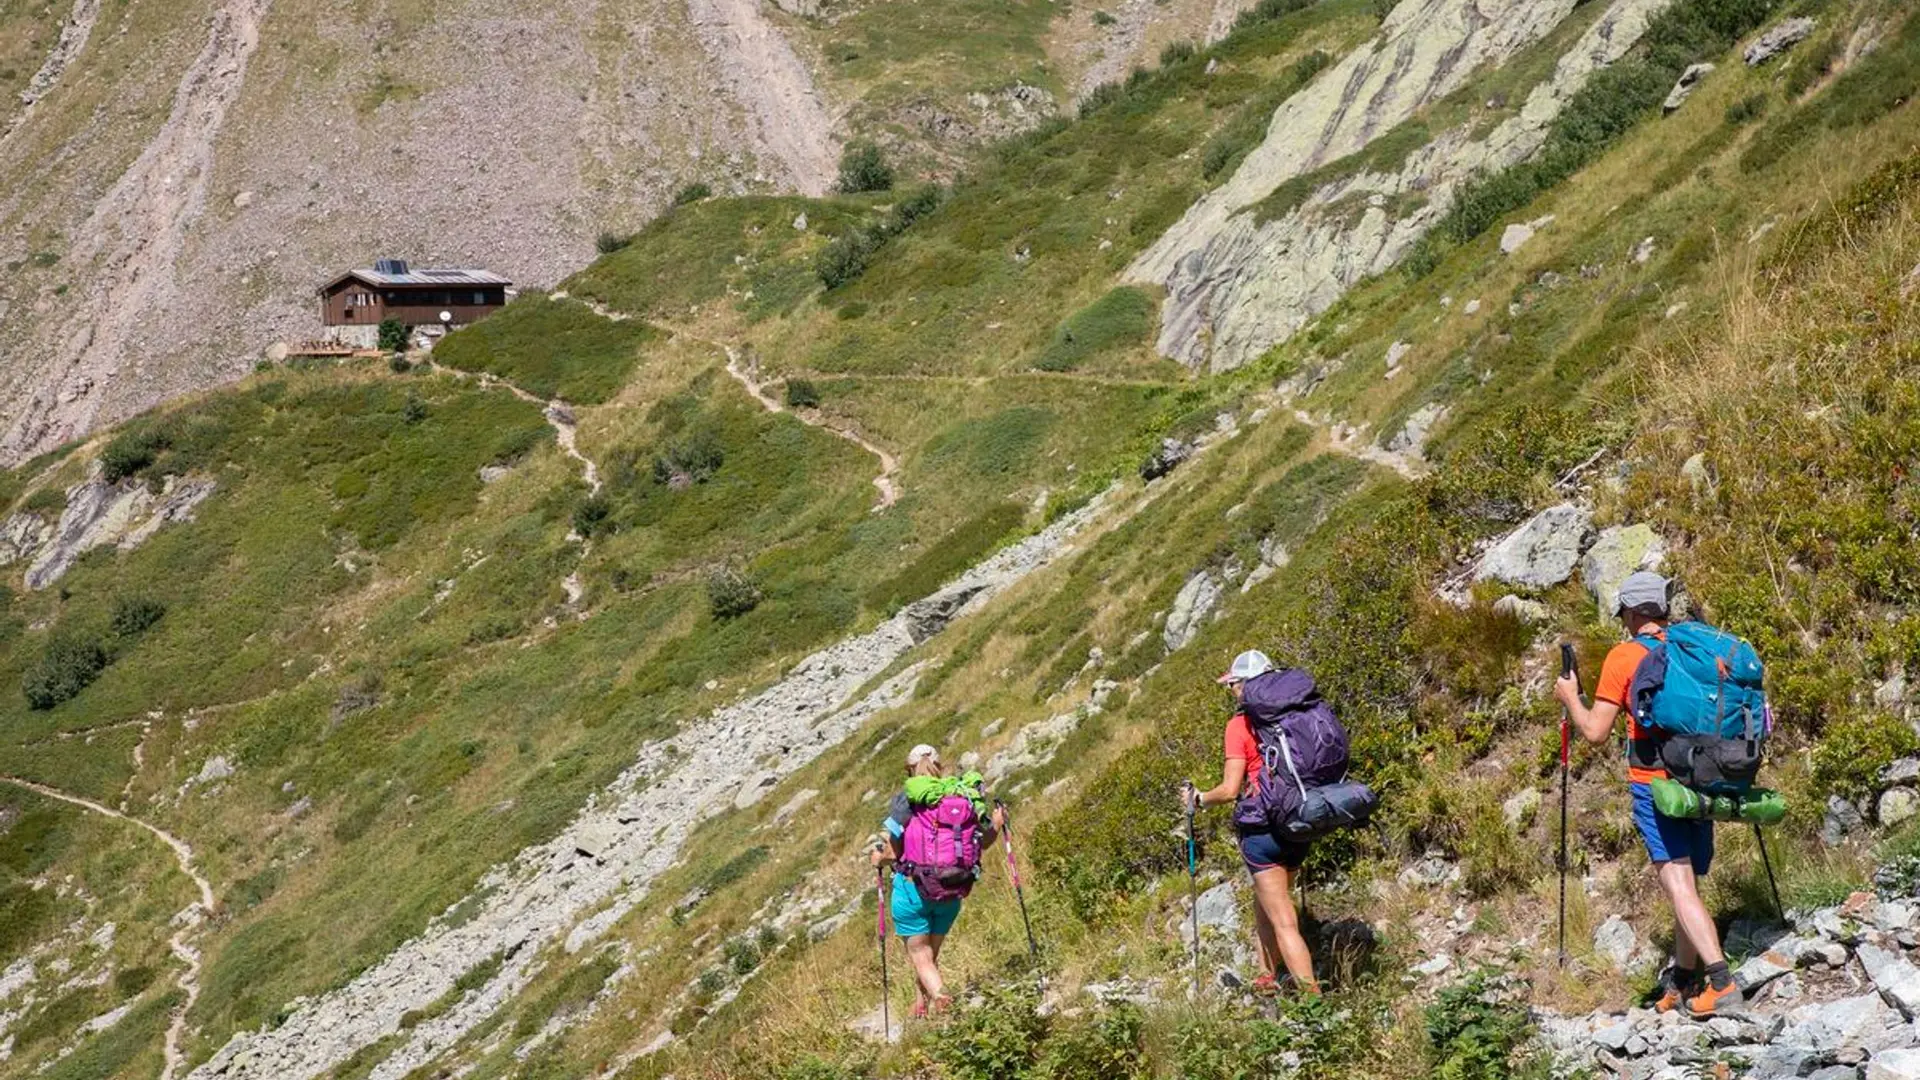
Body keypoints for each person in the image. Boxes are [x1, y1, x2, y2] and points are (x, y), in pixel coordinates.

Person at [1554, 570, 1741, 1018]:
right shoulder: (1691, 647)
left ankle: (1722, 982)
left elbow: (1595, 731)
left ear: (1632, 613)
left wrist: (1570, 697)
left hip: (1653, 784)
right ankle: (1683, 980)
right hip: (1702, 776)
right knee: (1686, 883)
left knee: (1677, 884)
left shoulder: (1624, 657)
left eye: (1623, 613)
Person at [1184, 649, 1319, 996]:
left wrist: (1199, 799)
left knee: (1284, 921)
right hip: (1298, 820)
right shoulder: (1294, 714)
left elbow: (1230, 790)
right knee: (1268, 898)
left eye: (1232, 684)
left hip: (1262, 829)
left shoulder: (1239, 726)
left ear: (1245, 685)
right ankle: (1266, 974)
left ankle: (1315, 1004)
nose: (1230, 690)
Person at [869, 743, 1005, 1018]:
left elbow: (891, 852)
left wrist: (877, 858)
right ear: (940, 768)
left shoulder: (906, 802)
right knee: (931, 955)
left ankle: (943, 999)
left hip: (913, 891)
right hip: (952, 889)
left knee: (921, 956)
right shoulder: (960, 797)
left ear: (909, 770)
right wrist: (998, 824)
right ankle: (922, 1003)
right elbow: (982, 842)